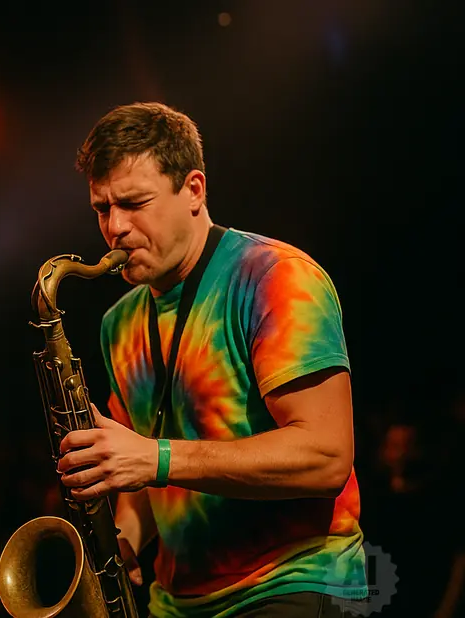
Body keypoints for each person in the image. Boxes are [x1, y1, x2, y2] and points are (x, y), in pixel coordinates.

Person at [55, 102, 367, 617]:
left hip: (293, 581)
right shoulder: (118, 321)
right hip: (176, 600)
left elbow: (326, 456)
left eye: (135, 203)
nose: (115, 228)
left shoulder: (274, 277)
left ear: (194, 190)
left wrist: (154, 459)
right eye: (102, 208)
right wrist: (124, 541)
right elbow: (137, 471)